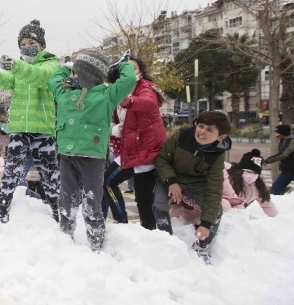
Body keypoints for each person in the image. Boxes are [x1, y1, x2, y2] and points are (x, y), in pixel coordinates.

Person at [48, 50, 136, 251]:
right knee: (67, 201)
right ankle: (64, 242)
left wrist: (121, 65)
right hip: (67, 155)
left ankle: (96, 246)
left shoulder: (106, 95)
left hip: (93, 157)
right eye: (75, 73)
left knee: (92, 202)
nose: (75, 77)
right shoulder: (65, 93)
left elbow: (129, 79)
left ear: (92, 75)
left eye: (79, 73)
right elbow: (53, 80)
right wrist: (67, 67)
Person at [0, 20, 61, 223]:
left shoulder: (51, 64)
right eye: (23, 43)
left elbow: (40, 77)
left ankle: (58, 214)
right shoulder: (18, 70)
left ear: (41, 45)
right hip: (18, 129)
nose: (27, 46)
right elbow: (6, 80)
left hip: (43, 131)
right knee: (11, 172)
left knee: (50, 176)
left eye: (31, 42)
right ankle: (2, 210)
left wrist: (17, 66)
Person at [153, 111, 231, 264]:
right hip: (169, 176)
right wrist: (171, 181)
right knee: (159, 205)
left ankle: (201, 247)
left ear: (221, 137)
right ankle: (167, 242)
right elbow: (162, 159)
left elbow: (214, 187)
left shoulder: (217, 153)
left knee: (216, 212)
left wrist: (206, 223)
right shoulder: (182, 135)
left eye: (209, 130)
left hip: (196, 182)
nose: (202, 131)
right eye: (200, 126)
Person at [104, 56, 166, 229]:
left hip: (146, 149)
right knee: (143, 198)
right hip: (133, 149)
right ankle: (147, 231)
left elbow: (149, 102)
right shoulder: (118, 90)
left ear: (141, 71)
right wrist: (115, 128)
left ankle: (122, 222)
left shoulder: (145, 86)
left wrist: (129, 101)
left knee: (109, 181)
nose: (130, 72)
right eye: (126, 69)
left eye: (134, 69)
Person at [222, 149, 277, 217]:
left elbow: (266, 204)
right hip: (225, 210)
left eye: (255, 173)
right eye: (248, 171)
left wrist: (276, 218)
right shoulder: (231, 179)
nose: (251, 175)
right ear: (241, 170)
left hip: (239, 212)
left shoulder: (258, 186)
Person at [264, 124, 293, 195]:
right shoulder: (284, 140)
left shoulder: (290, 141)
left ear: (282, 133)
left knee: (274, 191)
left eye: (277, 132)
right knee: (274, 191)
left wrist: (267, 161)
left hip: (290, 170)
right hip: (288, 171)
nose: (275, 135)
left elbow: (283, 154)